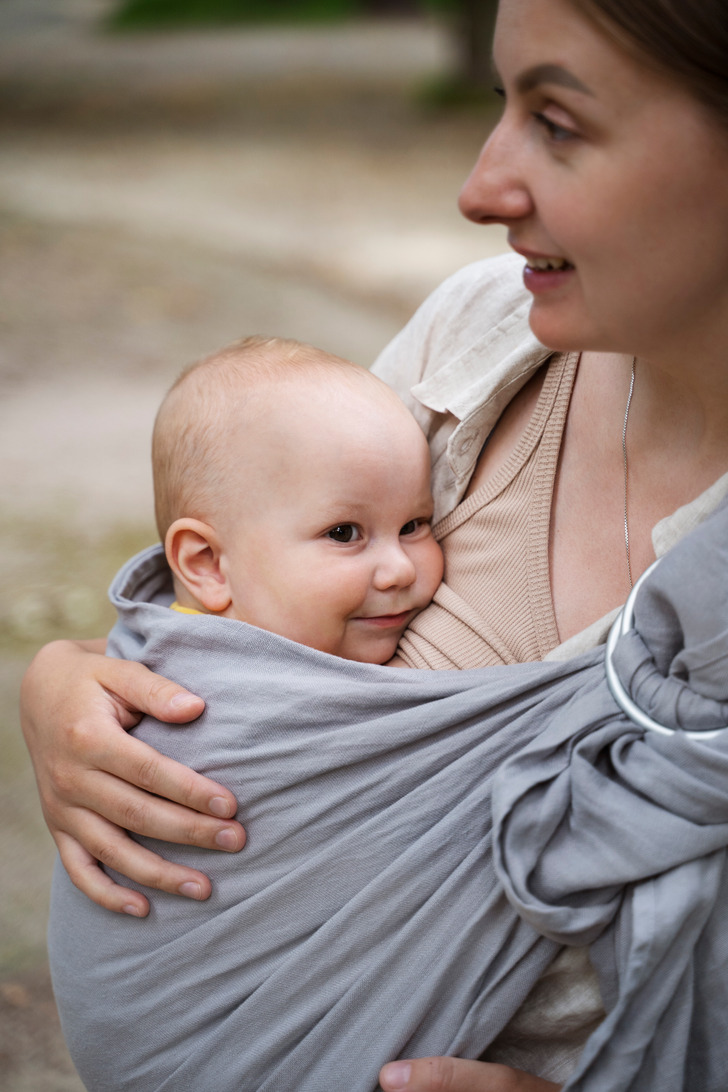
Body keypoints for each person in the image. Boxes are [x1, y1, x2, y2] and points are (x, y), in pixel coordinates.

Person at [20, 0, 728, 1087]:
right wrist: (74, 683)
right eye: (501, 102)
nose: (480, 187)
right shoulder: (483, 337)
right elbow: (235, 584)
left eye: (558, 121)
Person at [146, 334, 443, 665]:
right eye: (343, 533)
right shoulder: (232, 701)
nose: (401, 570)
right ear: (208, 563)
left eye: (412, 526)